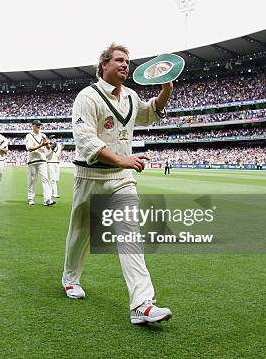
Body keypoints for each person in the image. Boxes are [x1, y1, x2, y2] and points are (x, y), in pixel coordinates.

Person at [61, 43, 174, 325]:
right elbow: (85, 140)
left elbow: (148, 114)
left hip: (122, 180)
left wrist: (165, 92)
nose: (125, 64)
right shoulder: (87, 97)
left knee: (130, 235)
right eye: (120, 60)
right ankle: (70, 277)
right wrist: (123, 160)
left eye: (128, 61)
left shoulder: (132, 97)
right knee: (80, 232)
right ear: (103, 65)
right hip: (90, 176)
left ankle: (142, 304)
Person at [25, 120, 54, 206]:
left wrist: (47, 144)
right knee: (32, 180)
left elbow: (48, 148)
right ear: (33, 125)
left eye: (39, 125)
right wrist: (41, 145)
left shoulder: (43, 135)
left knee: (45, 179)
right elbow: (29, 148)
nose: (38, 126)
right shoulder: (29, 135)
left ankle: (47, 199)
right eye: (37, 125)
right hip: (32, 160)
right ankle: (30, 198)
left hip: (42, 159)